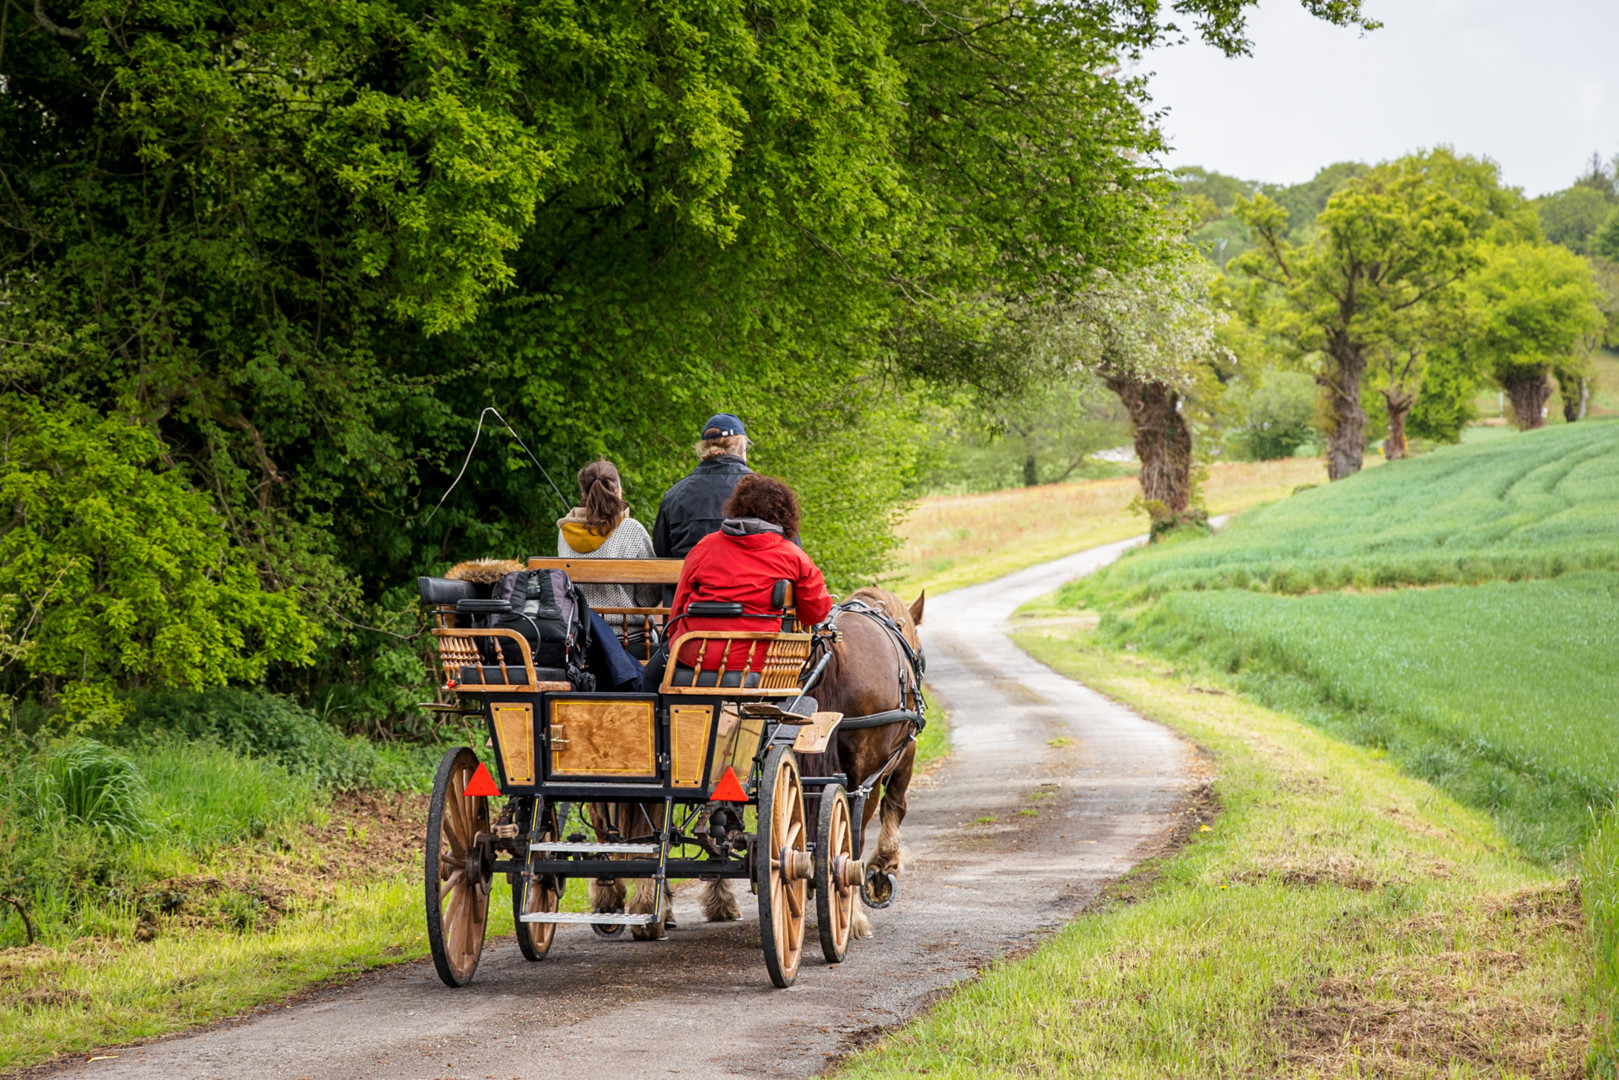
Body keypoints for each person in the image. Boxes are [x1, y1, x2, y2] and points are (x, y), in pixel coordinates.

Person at [641, 474, 831, 692]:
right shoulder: (792, 556)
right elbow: (816, 613)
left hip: (693, 655)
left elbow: (678, 609)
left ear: (737, 507)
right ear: (784, 515)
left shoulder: (705, 546)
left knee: (650, 674)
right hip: (756, 662)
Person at [558, 460, 659, 657]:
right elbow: (649, 598)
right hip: (628, 636)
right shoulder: (631, 529)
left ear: (583, 494)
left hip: (582, 636)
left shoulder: (564, 532)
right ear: (618, 490)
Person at [651, 413, 753, 559]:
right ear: (742, 448)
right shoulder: (765, 493)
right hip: (748, 580)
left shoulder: (675, 495)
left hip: (690, 580)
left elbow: (661, 551)